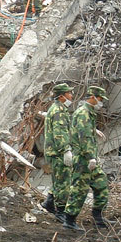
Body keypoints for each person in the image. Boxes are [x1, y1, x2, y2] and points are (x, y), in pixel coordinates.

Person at [63, 86, 110, 231]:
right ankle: (69, 220)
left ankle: (98, 217)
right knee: (79, 190)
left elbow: (80, 129)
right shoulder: (84, 113)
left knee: (101, 185)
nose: (100, 102)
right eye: (100, 99)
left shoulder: (88, 113)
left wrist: (93, 130)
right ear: (92, 97)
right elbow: (83, 138)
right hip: (84, 159)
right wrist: (91, 157)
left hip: (89, 158)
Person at [42, 83, 74, 223]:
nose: (71, 95)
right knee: (63, 182)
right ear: (61, 96)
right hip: (58, 152)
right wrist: (65, 150)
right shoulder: (59, 111)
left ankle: (49, 203)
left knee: (57, 180)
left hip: (54, 151)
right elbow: (59, 133)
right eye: (69, 93)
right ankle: (60, 211)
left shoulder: (58, 108)